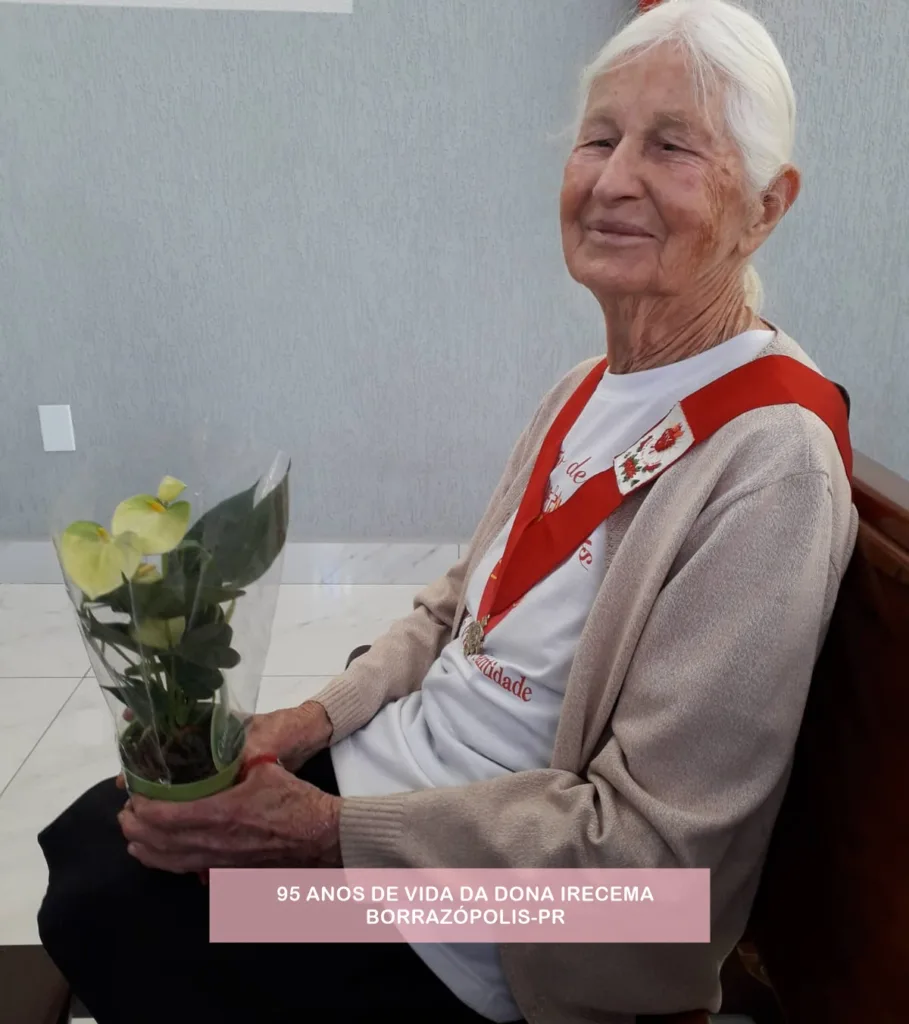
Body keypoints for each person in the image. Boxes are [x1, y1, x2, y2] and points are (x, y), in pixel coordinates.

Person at [37, 2, 857, 1022]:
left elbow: (655, 861)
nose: (611, 179)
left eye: (671, 147)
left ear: (767, 206)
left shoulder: (773, 464)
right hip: (391, 800)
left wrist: (322, 835)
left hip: (481, 925)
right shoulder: (582, 389)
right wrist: (307, 722)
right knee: (109, 830)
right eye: (598, 138)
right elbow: (458, 608)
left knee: (112, 902)